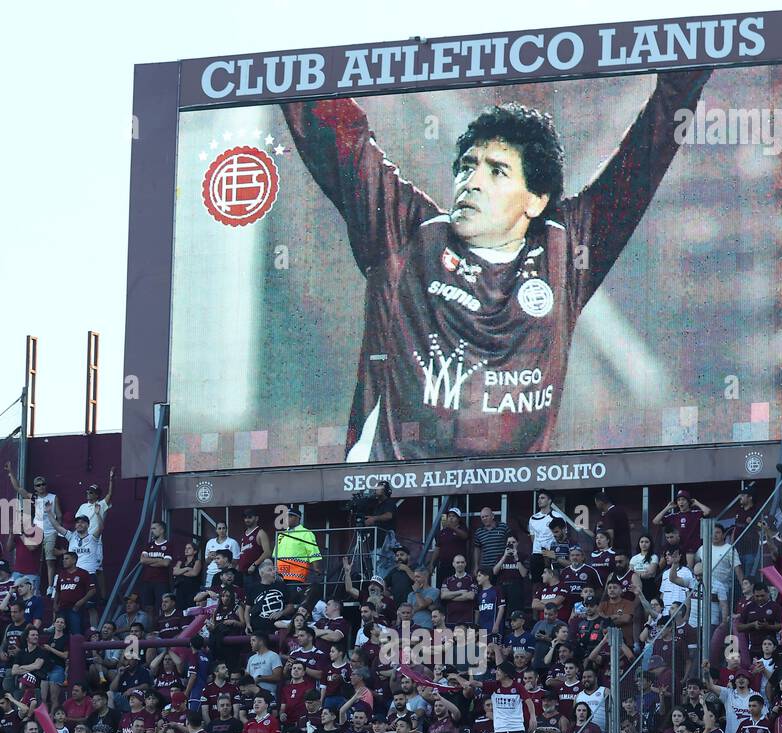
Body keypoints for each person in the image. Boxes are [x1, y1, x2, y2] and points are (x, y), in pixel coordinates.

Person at [283, 71, 711, 462]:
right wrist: (297, 62)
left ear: (535, 200)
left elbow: (642, 161)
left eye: (497, 171)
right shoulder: (407, 234)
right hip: (387, 508)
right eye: (467, 166)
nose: (472, 181)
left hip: (506, 510)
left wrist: (684, 77)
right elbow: (342, 140)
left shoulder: (565, 251)